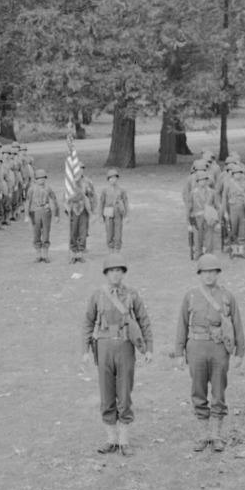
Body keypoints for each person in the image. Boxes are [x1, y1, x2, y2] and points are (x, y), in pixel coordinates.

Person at [171, 252, 245, 452]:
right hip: (195, 347)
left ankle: (217, 434)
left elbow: (237, 324)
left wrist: (239, 352)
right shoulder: (191, 296)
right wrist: (179, 353)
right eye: (205, 272)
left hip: (219, 348)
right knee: (198, 389)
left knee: (219, 389)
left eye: (212, 272)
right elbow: (182, 325)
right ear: (199, 274)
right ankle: (203, 433)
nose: (209, 276)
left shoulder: (227, 296)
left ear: (218, 274)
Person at [82, 255, 152, 455]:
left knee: (124, 392)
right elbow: (88, 322)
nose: (115, 274)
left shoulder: (132, 294)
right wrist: (84, 351)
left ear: (123, 273)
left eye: (119, 270)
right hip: (103, 346)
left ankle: (124, 440)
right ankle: (111, 438)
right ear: (106, 274)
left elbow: (144, 321)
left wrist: (149, 348)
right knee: (106, 392)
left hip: (125, 346)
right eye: (112, 270)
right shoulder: (97, 295)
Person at [98, 169, 130, 253]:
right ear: (108, 179)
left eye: (115, 178)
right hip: (108, 213)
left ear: (117, 179)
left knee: (118, 232)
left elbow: (126, 202)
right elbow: (101, 202)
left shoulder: (121, 190)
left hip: (118, 213)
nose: (113, 180)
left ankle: (117, 250)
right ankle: (110, 250)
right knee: (109, 232)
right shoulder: (105, 190)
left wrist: (126, 215)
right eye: (111, 178)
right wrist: (100, 215)